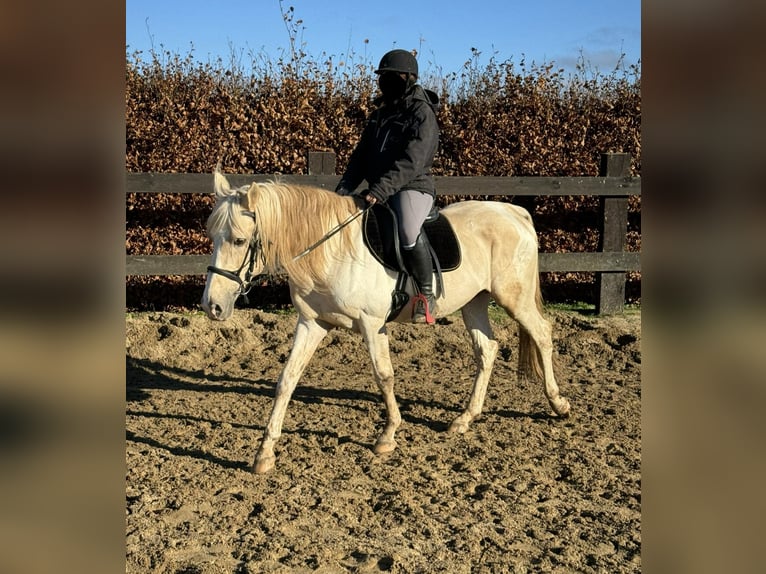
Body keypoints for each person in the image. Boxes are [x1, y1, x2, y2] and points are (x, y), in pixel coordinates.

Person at [335, 49, 440, 324]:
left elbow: (413, 159)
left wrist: (381, 189)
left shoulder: (421, 112)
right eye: (383, 77)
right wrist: (345, 186)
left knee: (407, 230)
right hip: (379, 188)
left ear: (409, 78)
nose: (385, 82)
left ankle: (427, 296)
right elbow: (361, 155)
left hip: (411, 186)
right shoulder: (380, 114)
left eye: (392, 77)